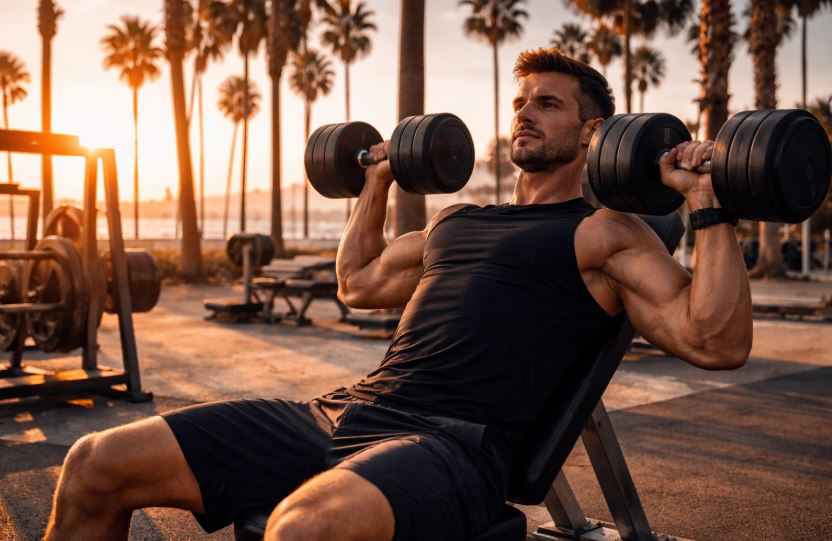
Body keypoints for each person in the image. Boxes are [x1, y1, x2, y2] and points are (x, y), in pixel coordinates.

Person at [43, 48, 751, 541]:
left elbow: (714, 339)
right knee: (94, 464)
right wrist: (376, 182)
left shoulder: (605, 233)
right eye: (520, 102)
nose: (525, 114)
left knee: (305, 529)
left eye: (549, 104)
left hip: (449, 444)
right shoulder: (457, 220)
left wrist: (708, 202)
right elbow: (359, 281)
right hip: (338, 412)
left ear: (594, 129)